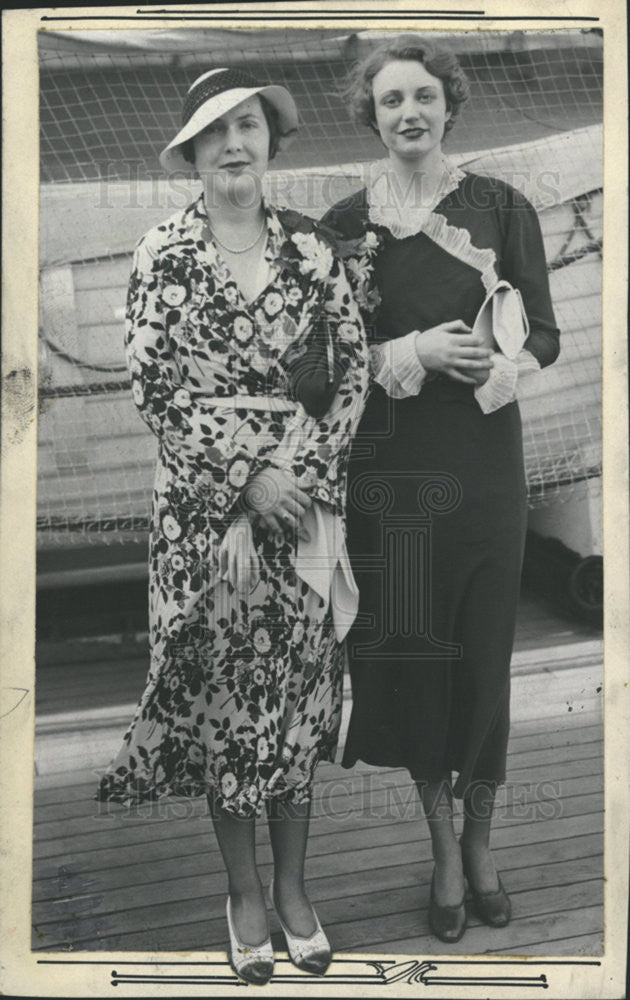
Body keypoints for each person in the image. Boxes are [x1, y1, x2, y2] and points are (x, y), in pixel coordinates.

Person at [97, 67, 368, 982]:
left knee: (295, 705)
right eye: (214, 133)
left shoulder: (312, 249)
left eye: (247, 126)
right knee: (223, 709)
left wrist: (295, 474)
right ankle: (244, 892)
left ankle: (295, 890)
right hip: (205, 518)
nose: (233, 146)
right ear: (193, 154)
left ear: (270, 141)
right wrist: (244, 486)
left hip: (304, 507)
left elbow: (353, 373)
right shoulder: (160, 253)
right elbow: (155, 392)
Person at [322, 35, 560, 944]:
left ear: (448, 103)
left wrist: (507, 365)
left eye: (424, 95)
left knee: (485, 664)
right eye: (391, 101)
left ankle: (484, 838)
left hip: (488, 466)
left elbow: (543, 330)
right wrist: (410, 352)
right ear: (372, 115)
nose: (409, 113)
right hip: (394, 478)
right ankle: (442, 853)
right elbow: (325, 361)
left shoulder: (502, 206)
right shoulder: (343, 225)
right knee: (419, 667)